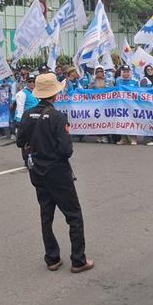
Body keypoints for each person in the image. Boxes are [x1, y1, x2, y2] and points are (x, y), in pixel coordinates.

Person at [17, 73, 94, 274]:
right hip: (58, 172)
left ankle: (52, 257)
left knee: (46, 215)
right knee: (74, 215)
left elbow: (19, 141)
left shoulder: (27, 115)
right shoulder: (59, 118)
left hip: (37, 172)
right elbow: (66, 150)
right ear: (55, 95)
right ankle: (78, 260)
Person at [115, 66, 139, 146]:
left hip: (132, 104)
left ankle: (133, 138)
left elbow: (138, 92)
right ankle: (123, 139)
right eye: (124, 72)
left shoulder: (134, 81)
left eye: (127, 71)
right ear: (121, 72)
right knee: (122, 121)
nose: (126, 73)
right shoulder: (118, 80)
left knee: (132, 121)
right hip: (121, 104)